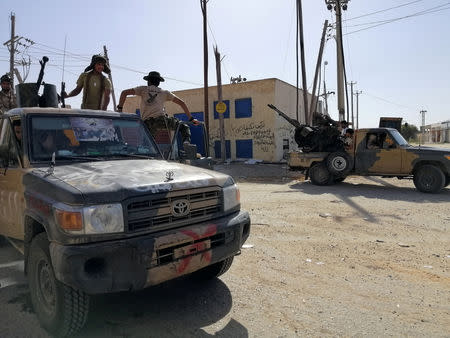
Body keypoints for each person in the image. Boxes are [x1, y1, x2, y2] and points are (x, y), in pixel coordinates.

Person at [117, 71, 198, 144]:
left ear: (148, 81)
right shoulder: (165, 93)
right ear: (159, 83)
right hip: (163, 121)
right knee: (183, 126)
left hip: (148, 124)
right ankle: (186, 142)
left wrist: (120, 109)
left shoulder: (142, 89)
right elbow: (182, 103)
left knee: (148, 143)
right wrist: (191, 119)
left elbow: (124, 93)